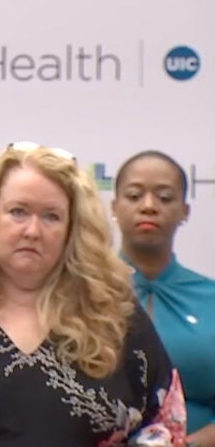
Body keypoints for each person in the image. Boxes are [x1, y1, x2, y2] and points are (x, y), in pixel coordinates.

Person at [0, 143, 187, 446]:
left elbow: (163, 422)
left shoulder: (113, 310)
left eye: (51, 216)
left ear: (72, 229)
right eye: (18, 212)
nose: (32, 231)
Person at [114, 150, 215, 446]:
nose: (149, 206)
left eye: (164, 197)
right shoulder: (79, 297)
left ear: (185, 211)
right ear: (114, 206)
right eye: (134, 196)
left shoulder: (210, 299)